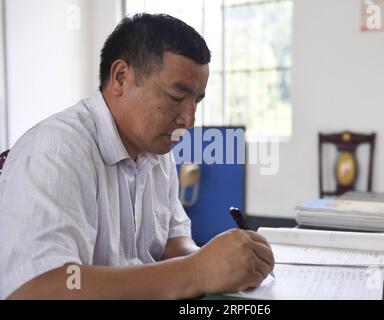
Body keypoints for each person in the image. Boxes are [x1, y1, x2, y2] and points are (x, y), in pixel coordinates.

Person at [0, 13, 274, 300]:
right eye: (176, 97)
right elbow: (37, 288)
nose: (189, 119)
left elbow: (173, 242)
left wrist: (218, 264)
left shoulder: (156, 153)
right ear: (121, 78)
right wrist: (195, 272)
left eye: (196, 101)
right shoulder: (57, 151)